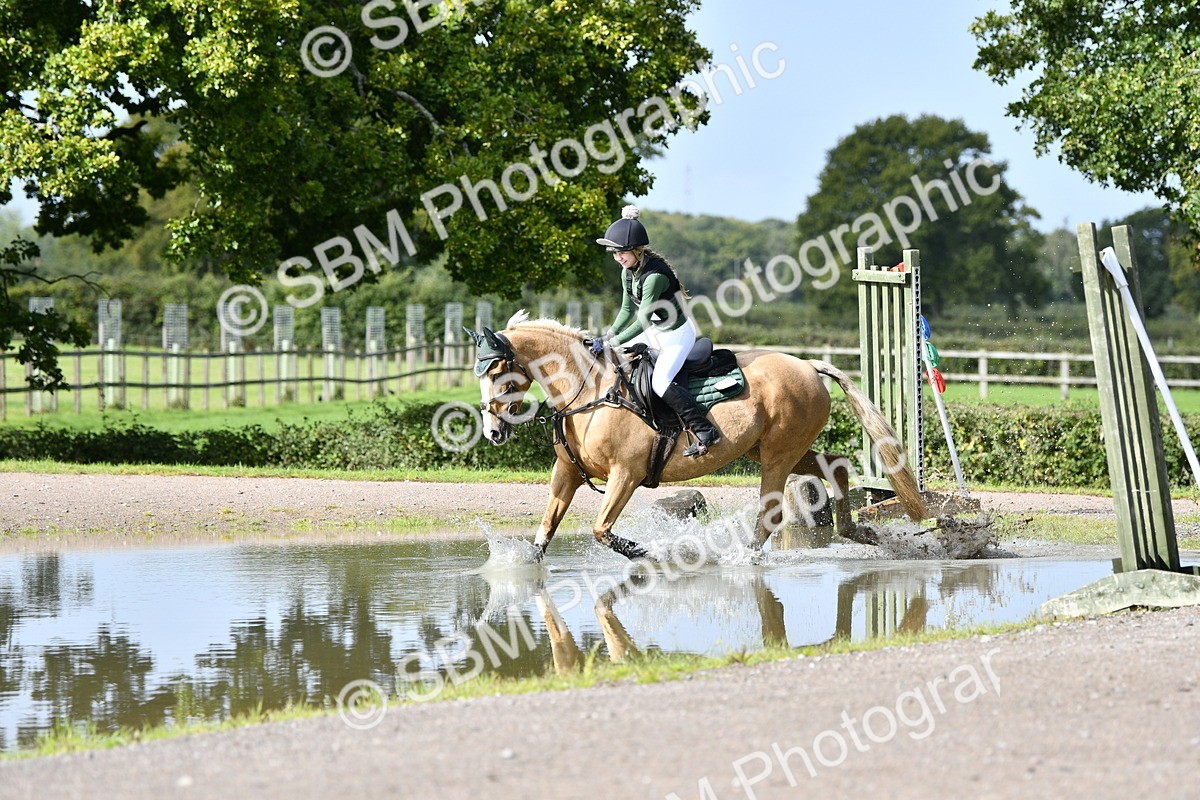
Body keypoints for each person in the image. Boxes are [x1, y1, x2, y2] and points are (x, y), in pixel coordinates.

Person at [593, 205, 721, 457]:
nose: (618, 258)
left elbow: (642, 321)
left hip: (676, 335)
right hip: (655, 331)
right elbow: (626, 310)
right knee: (617, 364)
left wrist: (612, 342)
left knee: (660, 382)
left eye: (622, 252)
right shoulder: (628, 272)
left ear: (637, 250)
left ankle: (705, 430)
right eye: (614, 253)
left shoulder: (654, 277)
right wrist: (607, 336)